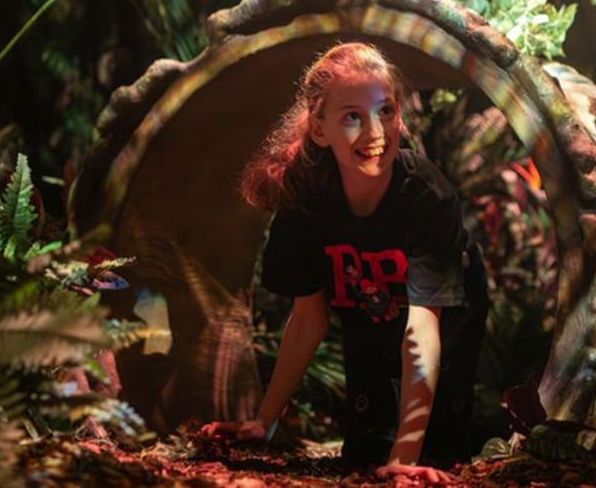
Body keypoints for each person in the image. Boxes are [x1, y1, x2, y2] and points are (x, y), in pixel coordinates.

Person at [200, 42, 489, 480]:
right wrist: (264, 421)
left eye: (385, 111)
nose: (375, 132)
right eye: (352, 117)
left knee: (439, 453)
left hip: (443, 316)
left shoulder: (426, 195)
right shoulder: (304, 202)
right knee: (364, 452)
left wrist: (405, 458)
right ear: (320, 130)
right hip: (366, 312)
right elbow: (308, 318)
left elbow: (422, 326)